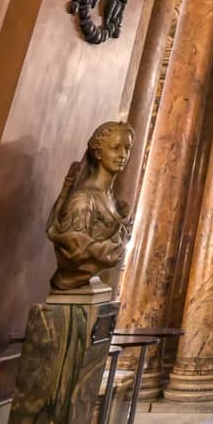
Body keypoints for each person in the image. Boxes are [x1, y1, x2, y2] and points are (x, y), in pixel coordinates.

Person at [46, 120, 134, 294]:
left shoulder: (117, 203)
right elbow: (75, 252)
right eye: (115, 148)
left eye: (127, 148)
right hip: (69, 285)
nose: (122, 154)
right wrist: (112, 248)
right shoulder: (84, 200)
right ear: (99, 152)